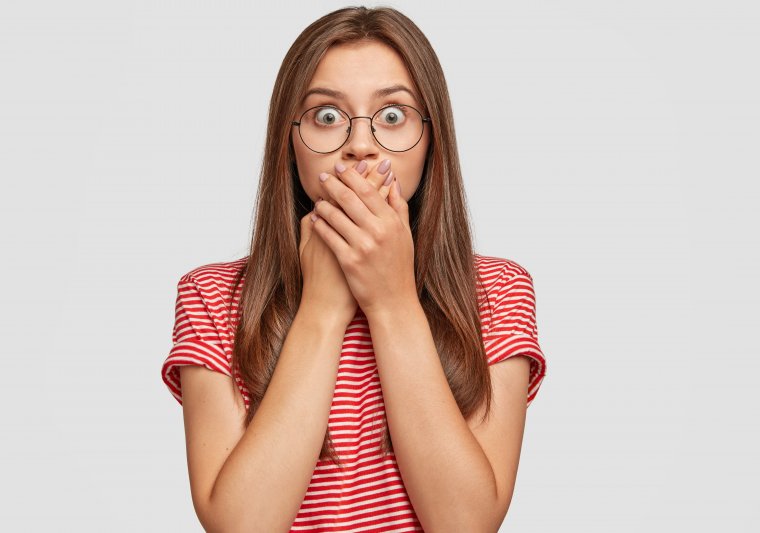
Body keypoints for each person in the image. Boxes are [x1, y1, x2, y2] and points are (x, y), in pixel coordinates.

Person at [161, 6, 547, 532]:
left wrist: (391, 302)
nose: (360, 145)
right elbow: (241, 526)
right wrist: (322, 308)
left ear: (432, 139)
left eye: (393, 116)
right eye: (326, 116)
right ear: (289, 140)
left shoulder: (497, 293)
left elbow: (466, 524)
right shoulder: (211, 297)